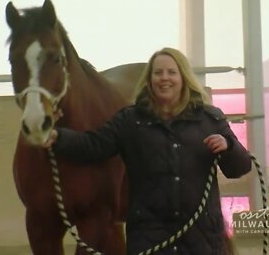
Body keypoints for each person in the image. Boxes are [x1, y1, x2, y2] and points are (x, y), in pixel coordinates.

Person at [43, 47, 251, 255]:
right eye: (158, 73)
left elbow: (240, 167)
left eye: (171, 72)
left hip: (202, 241)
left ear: (183, 77)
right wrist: (59, 138)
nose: (164, 78)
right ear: (149, 79)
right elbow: (93, 145)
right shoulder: (130, 121)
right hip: (150, 239)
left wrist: (229, 147)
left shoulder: (210, 118)